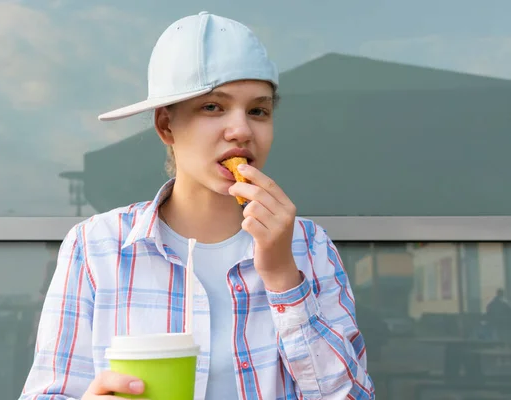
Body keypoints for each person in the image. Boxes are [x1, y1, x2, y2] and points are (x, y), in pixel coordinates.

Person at [20, 11, 374, 400]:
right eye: (212, 107)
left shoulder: (310, 246)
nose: (242, 129)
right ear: (166, 126)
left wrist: (283, 276)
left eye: (258, 110)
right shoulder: (96, 247)